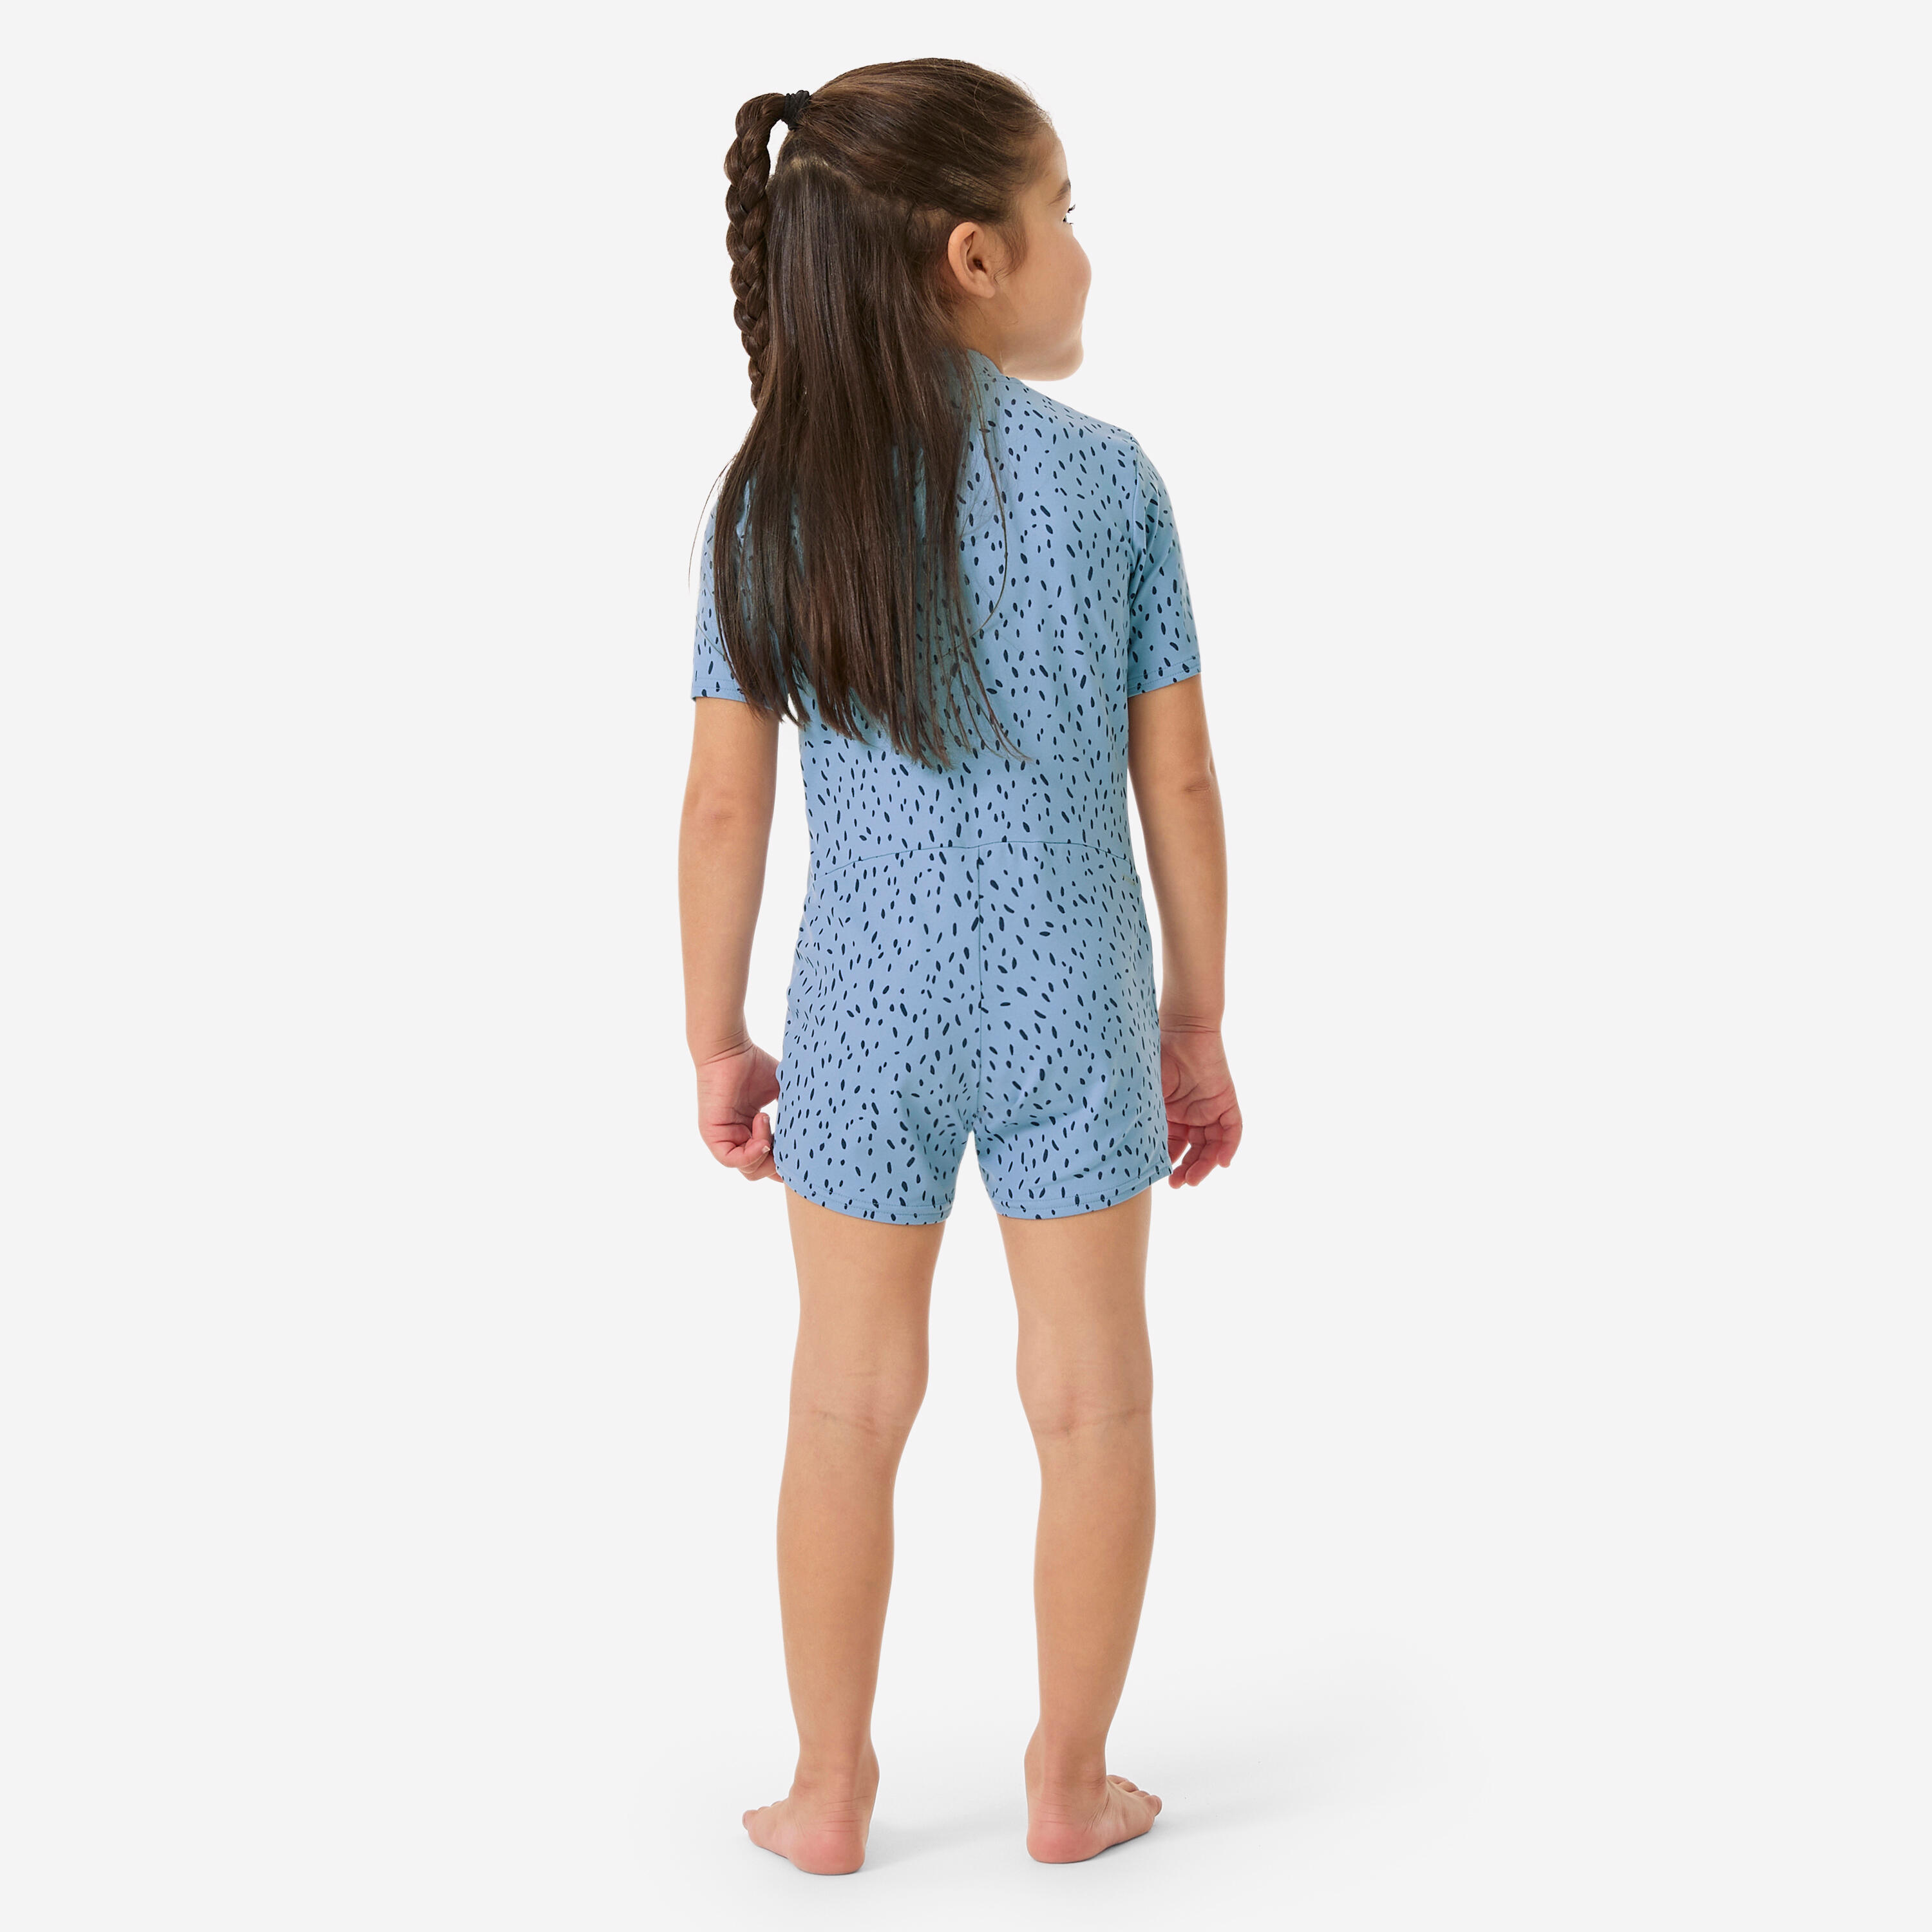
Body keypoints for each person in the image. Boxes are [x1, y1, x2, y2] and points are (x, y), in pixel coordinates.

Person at [677, 58, 1240, 1875]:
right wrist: (1195, 1021)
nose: (1084, 245)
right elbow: (1179, 784)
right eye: (1065, 209)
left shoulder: (770, 502)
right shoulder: (1110, 485)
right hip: (1078, 1003)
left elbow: (724, 808)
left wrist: (715, 1036)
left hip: (863, 1012)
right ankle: (1070, 1785)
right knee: (1094, 1399)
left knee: (845, 1403)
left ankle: (827, 1791)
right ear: (974, 256)